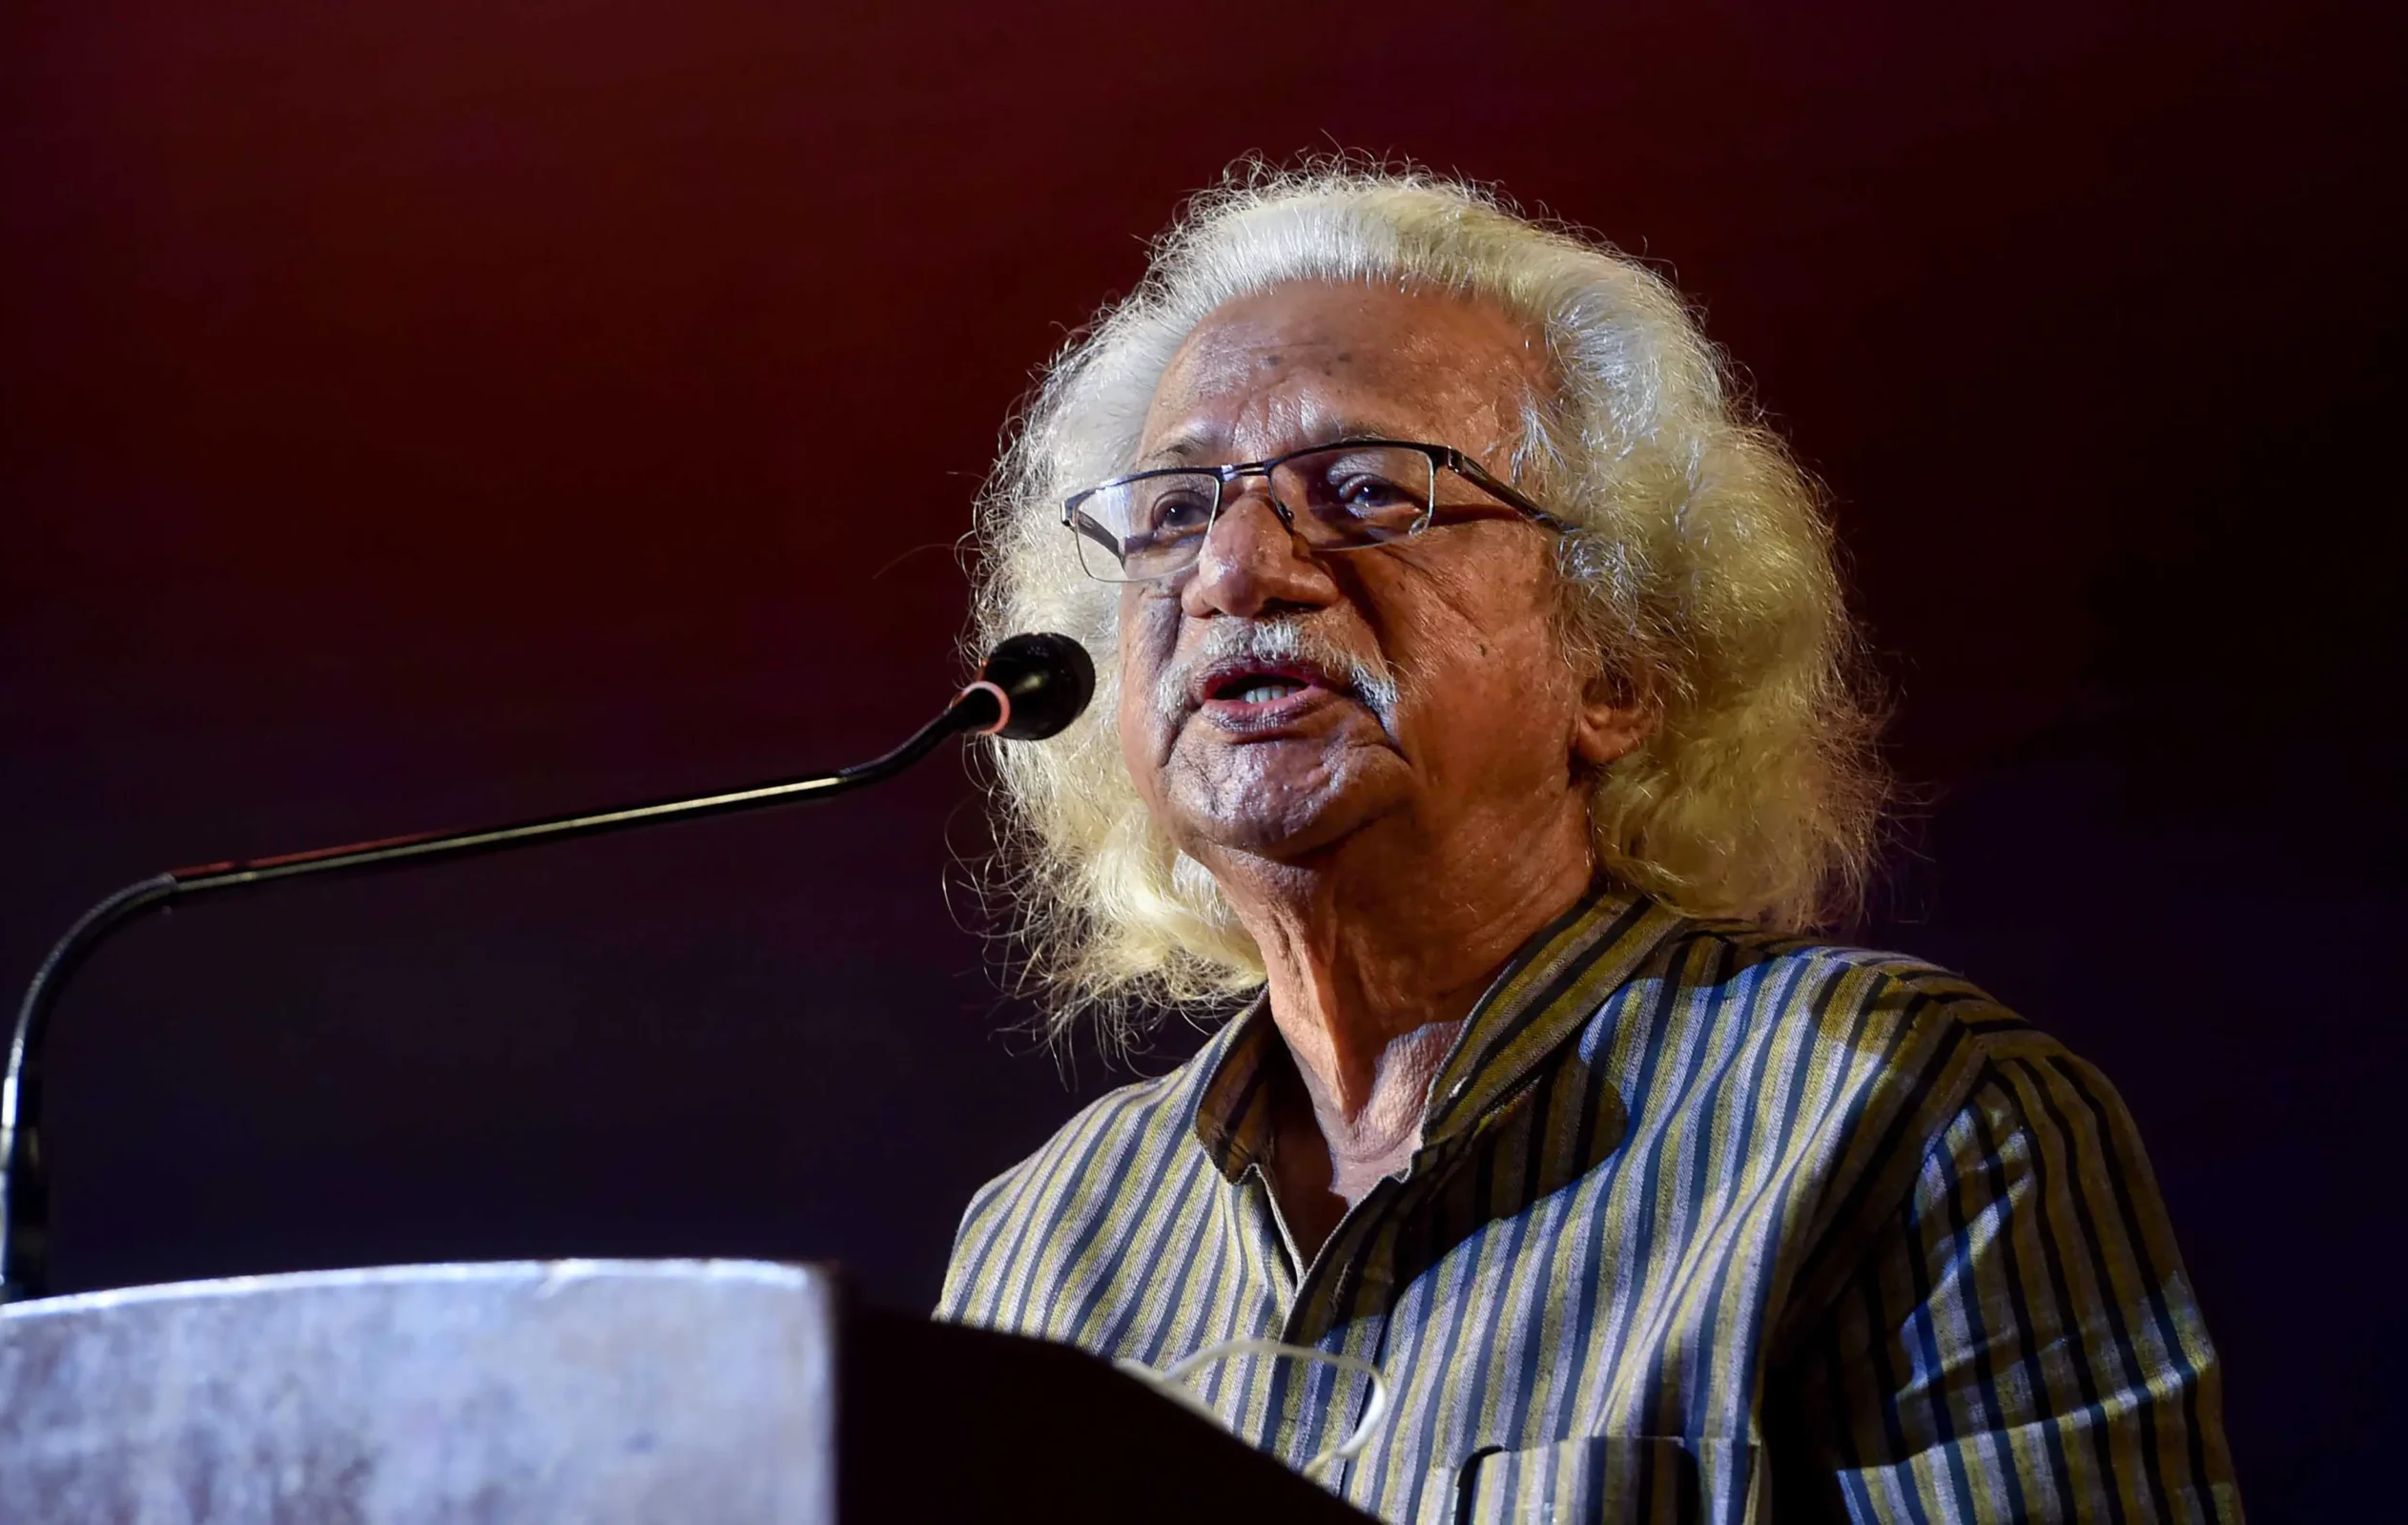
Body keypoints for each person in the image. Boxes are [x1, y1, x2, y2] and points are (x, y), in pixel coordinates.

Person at [935, 164, 2239, 1523]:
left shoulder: (1899, 1117)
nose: (1232, 569)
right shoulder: (1043, 1242)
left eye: (1369, 490)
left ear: (1616, 667)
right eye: (1175, 510)